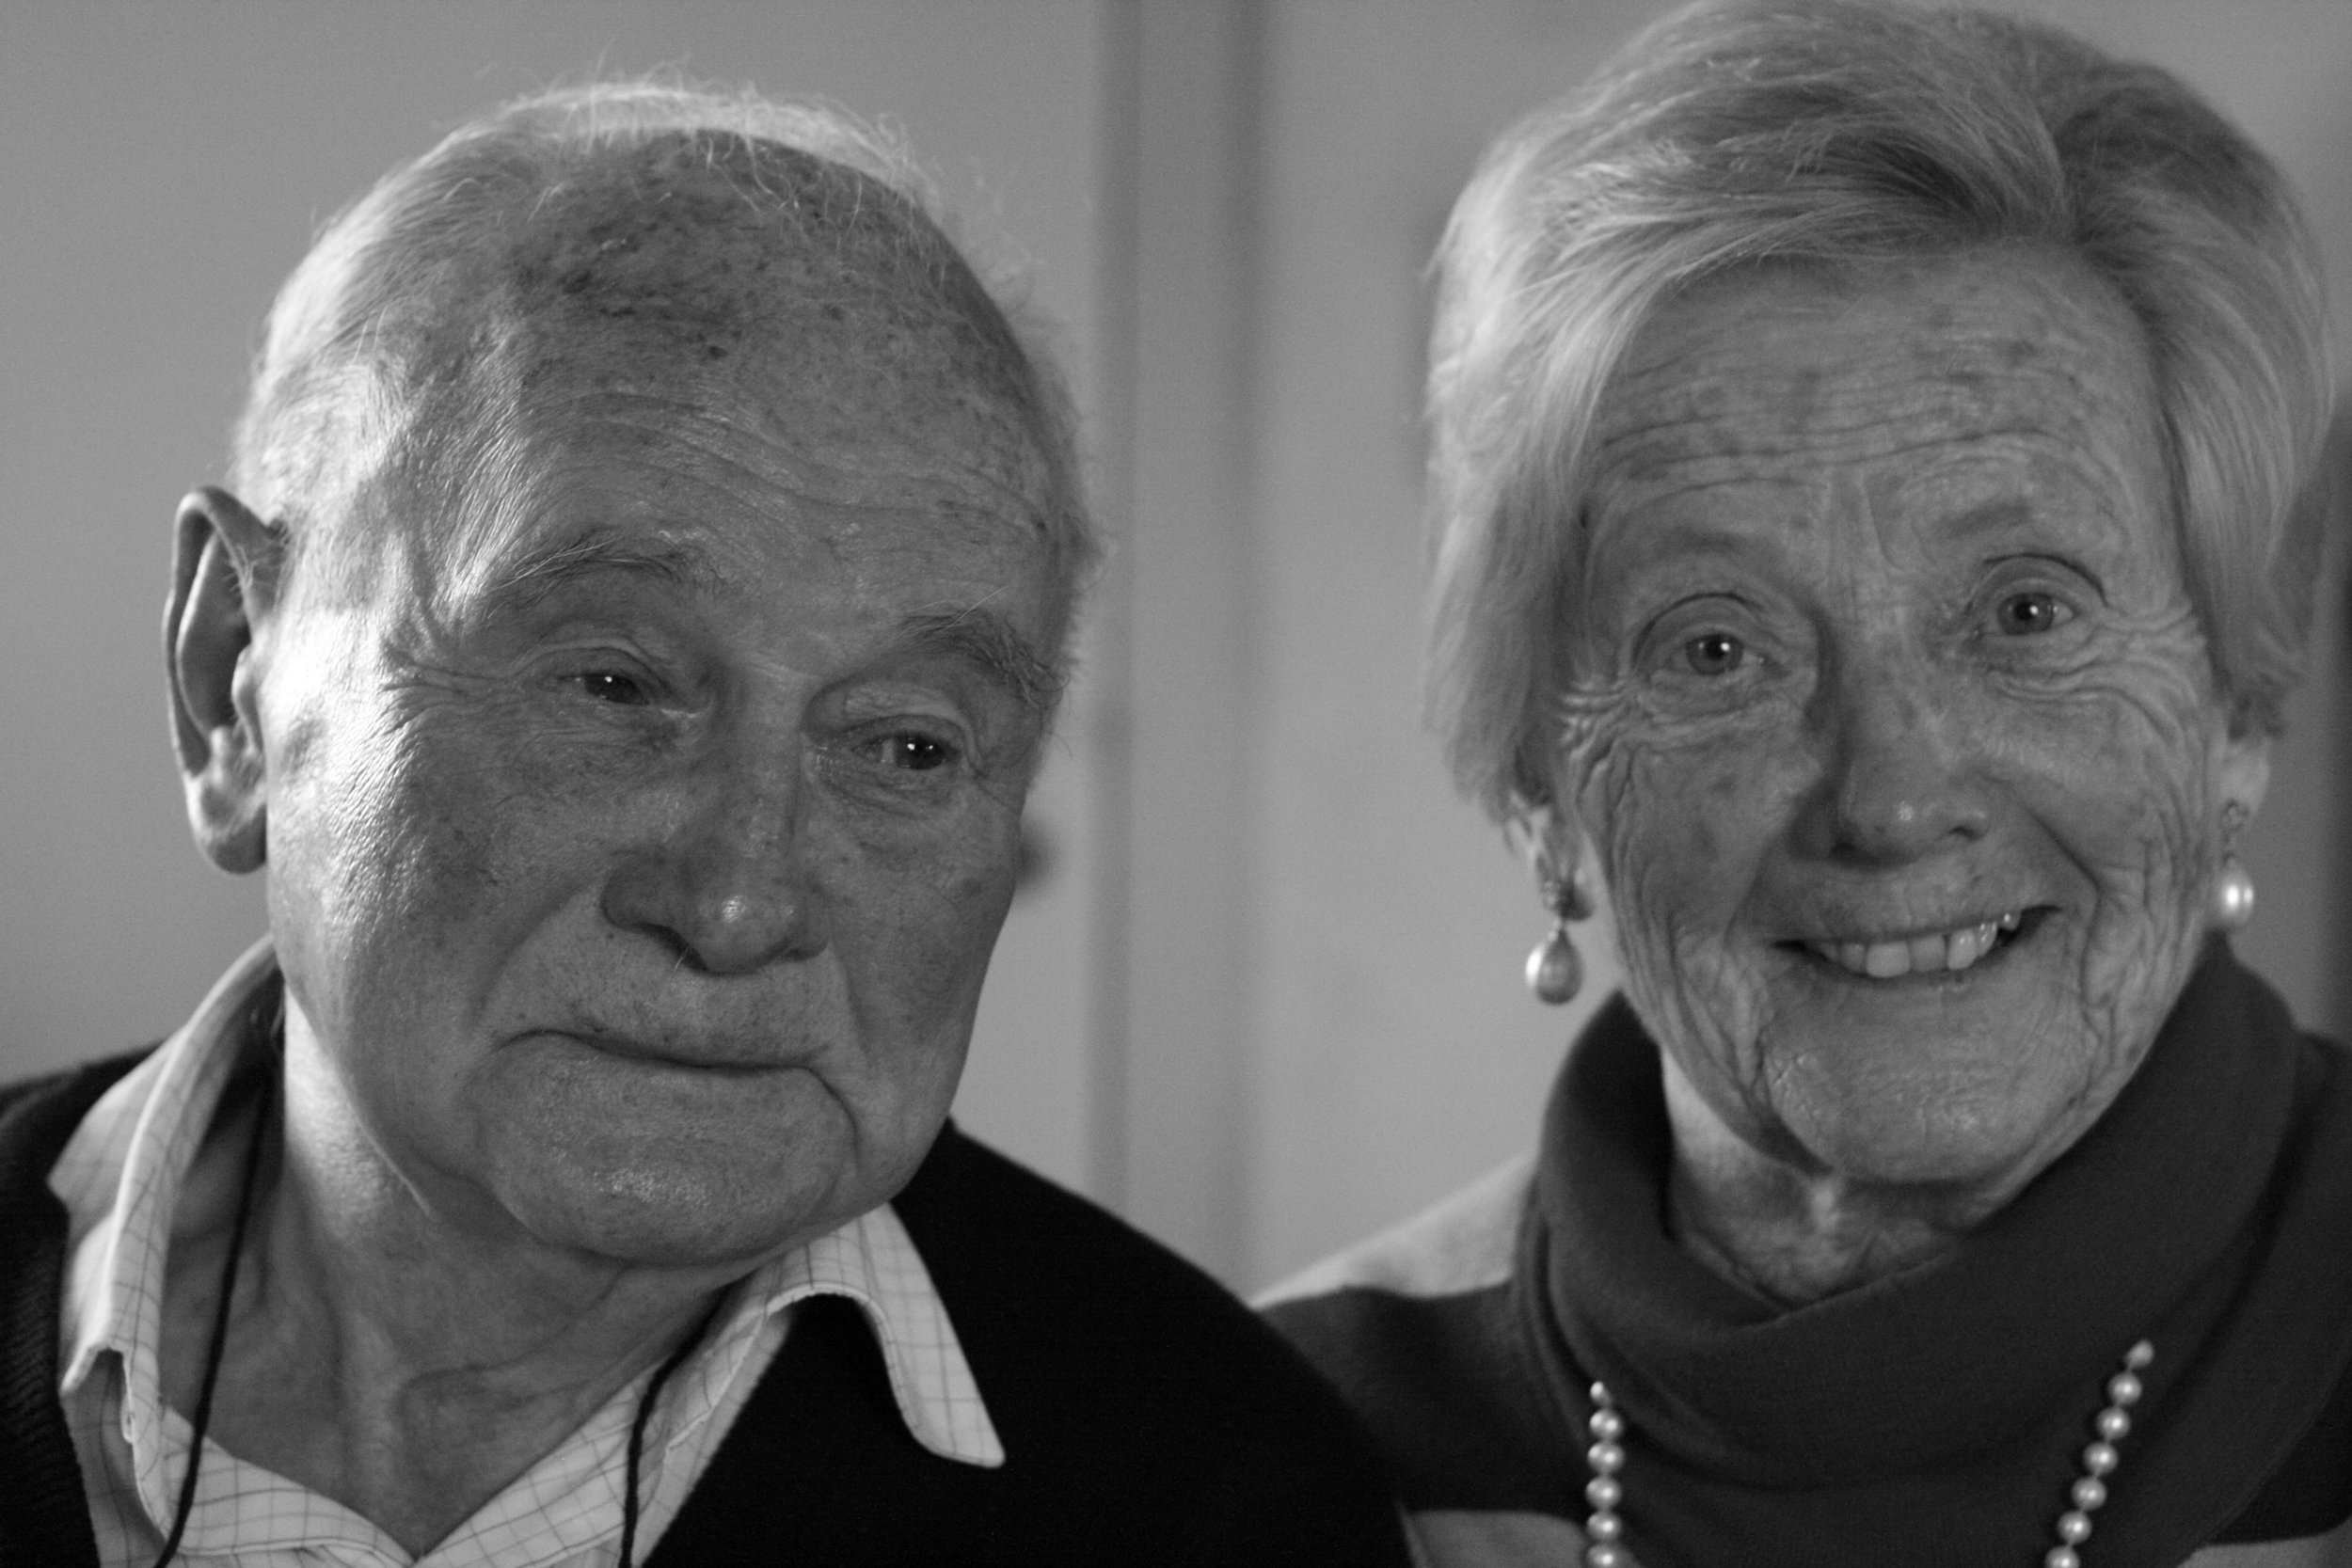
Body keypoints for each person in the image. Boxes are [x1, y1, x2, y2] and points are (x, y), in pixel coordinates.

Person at [0, 83, 1408, 1568]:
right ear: (232, 678)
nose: (739, 904)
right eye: (612, 686)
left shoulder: (1209, 1492)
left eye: (907, 746)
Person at [1262, 3, 2352, 1564]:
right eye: (1717, 648)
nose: (1891, 799)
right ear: (1537, 784)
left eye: (2025, 613)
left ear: (2237, 707)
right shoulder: (1281, 1443)